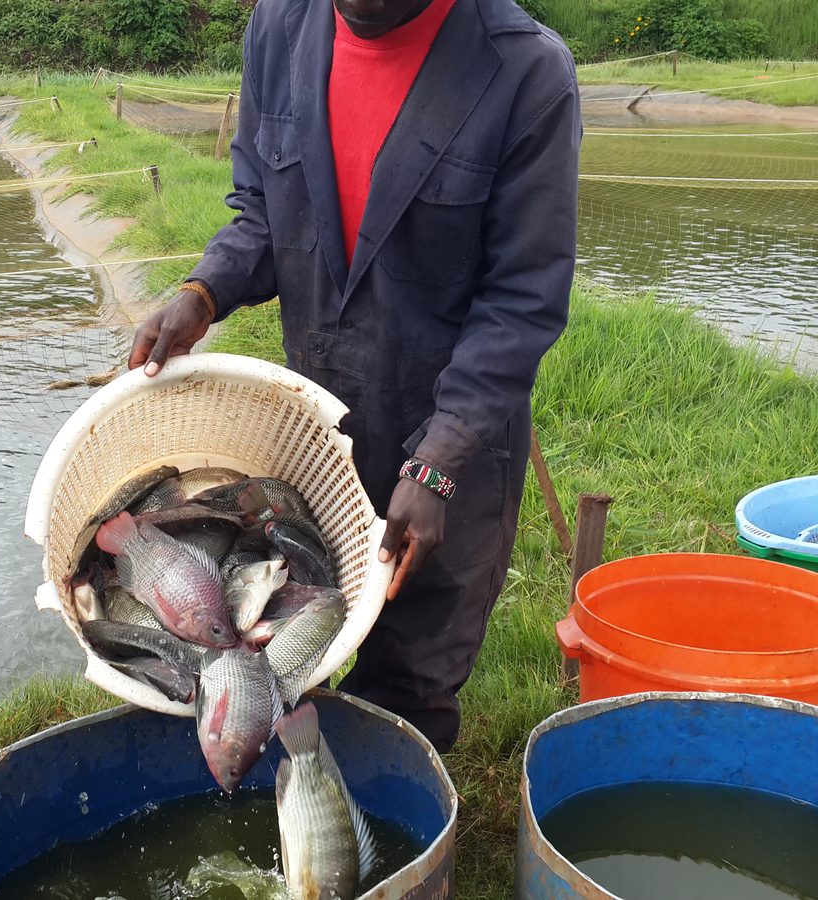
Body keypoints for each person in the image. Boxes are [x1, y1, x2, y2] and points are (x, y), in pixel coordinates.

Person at [128, 0, 581, 752]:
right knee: (297, 637)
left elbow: (521, 303)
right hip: (320, 424)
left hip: (453, 434)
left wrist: (436, 467)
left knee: (409, 679)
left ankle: (397, 838)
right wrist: (204, 291)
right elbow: (262, 215)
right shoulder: (280, 30)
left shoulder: (525, 71)